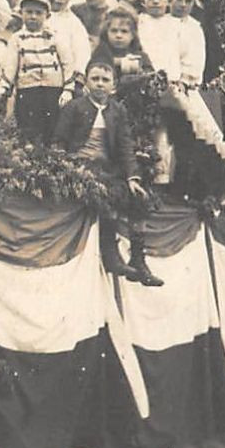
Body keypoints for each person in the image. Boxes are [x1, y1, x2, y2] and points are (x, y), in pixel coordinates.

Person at [53, 60, 163, 286]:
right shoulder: (75, 107)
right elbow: (59, 141)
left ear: (113, 86)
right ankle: (110, 254)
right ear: (86, 81)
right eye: (95, 79)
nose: (100, 84)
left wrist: (133, 178)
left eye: (105, 80)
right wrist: (66, 167)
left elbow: (125, 147)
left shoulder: (117, 110)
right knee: (108, 193)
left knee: (139, 197)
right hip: (82, 167)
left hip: (108, 168)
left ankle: (138, 260)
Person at [9, 0, 78, 145]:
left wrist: (68, 89)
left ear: (47, 15)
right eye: (29, 12)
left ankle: (51, 156)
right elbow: (10, 66)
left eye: (38, 13)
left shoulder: (54, 37)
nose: (33, 16)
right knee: (29, 126)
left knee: (52, 125)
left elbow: (67, 63)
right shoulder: (16, 39)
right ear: (21, 13)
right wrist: (5, 86)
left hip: (53, 89)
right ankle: (30, 158)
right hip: (27, 89)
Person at [134, 0, 183, 185]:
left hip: (169, 83)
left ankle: (163, 175)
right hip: (142, 83)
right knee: (143, 127)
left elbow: (181, 55)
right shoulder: (138, 23)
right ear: (143, 1)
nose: (155, 1)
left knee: (164, 129)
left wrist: (177, 79)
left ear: (168, 0)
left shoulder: (176, 25)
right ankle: (144, 174)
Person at [42, 0, 92, 83]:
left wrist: (77, 77)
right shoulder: (38, 16)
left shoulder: (73, 23)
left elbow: (82, 53)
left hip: (64, 80)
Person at [171, 0, 207, 90]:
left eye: (188, 1)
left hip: (184, 86)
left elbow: (195, 62)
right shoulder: (160, 22)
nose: (183, 5)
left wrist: (183, 82)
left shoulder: (194, 29)